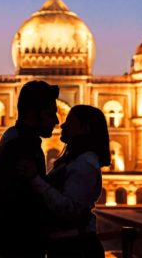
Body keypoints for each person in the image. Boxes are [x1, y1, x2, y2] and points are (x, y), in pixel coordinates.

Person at [0, 80, 59, 258]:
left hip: (6, 244)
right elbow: (21, 204)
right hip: (14, 247)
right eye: (50, 113)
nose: (56, 120)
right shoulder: (21, 145)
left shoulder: (16, 137)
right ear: (32, 113)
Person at [18, 105, 111, 258]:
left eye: (70, 121)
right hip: (67, 245)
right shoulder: (76, 160)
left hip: (75, 248)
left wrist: (35, 179)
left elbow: (71, 209)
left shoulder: (85, 163)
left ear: (84, 128)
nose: (62, 125)